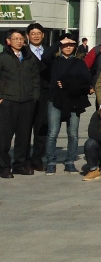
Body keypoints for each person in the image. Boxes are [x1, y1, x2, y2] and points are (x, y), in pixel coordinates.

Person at [43, 33, 91, 175]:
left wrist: (67, 84)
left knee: (73, 134)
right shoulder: (55, 61)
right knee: (52, 133)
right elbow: (45, 56)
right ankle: (51, 161)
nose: (68, 47)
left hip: (74, 101)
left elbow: (86, 80)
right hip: (55, 100)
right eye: (65, 45)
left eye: (71, 45)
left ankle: (70, 161)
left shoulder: (79, 63)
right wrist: (59, 43)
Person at [0, 27, 42, 178]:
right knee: (4, 137)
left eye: (21, 39)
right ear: (8, 41)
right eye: (16, 39)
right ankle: (4, 167)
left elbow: (35, 78)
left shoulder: (29, 57)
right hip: (8, 101)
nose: (19, 41)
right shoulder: (3, 58)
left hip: (27, 102)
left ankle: (19, 165)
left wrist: (34, 97)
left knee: (24, 137)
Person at [26, 22, 54, 171]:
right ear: (28, 36)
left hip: (45, 94)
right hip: (27, 94)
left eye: (38, 33)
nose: (36, 36)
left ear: (43, 35)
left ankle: (37, 159)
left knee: (41, 128)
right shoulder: (23, 52)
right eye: (33, 34)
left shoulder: (49, 52)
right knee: (24, 129)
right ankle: (24, 159)